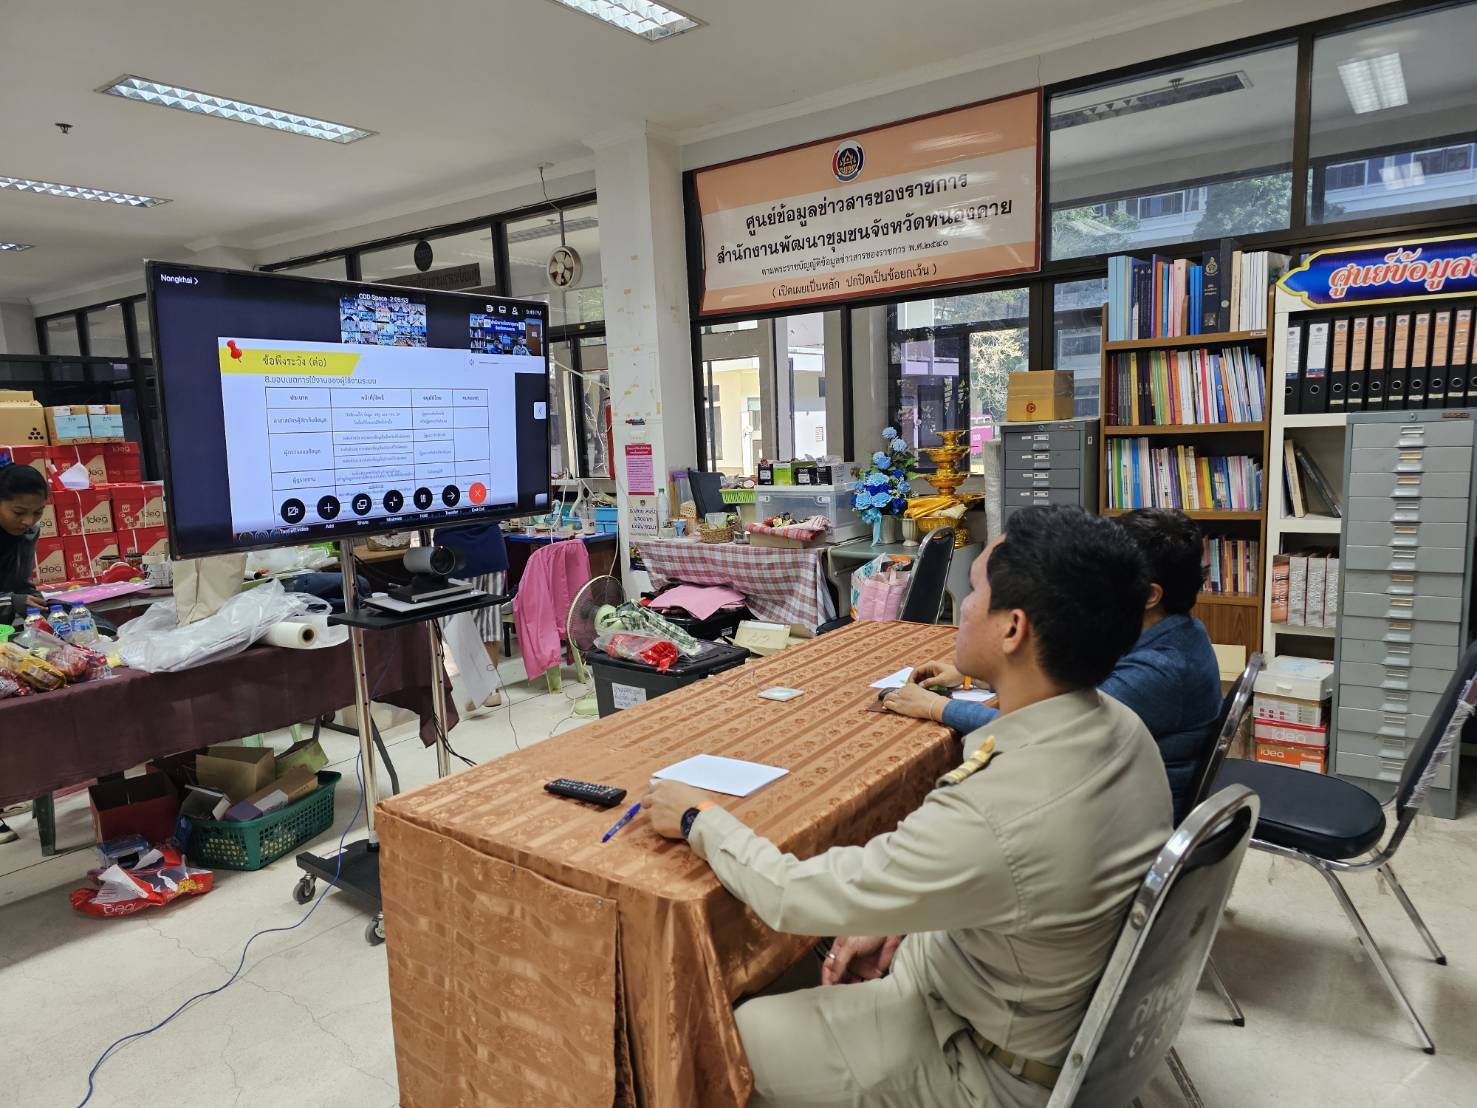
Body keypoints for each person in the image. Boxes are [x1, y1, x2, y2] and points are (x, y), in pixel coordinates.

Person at [643, 506, 1173, 1108]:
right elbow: (1005, 877)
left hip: (987, 1064)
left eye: (975, 591)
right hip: (1022, 994)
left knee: (726, 1039)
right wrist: (906, 912)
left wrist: (698, 818)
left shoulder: (999, 809)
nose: (962, 607)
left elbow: (794, 896)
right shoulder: (1122, 727)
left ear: (1013, 629)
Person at [883, 506, 1222, 824]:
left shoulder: (1162, 669)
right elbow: (1063, 684)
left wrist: (935, 707)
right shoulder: (1175, 630)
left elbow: (1043, 726)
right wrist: (976, 677)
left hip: (1119, 815)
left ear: (1149, 595)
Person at [0, 461, 50, 845]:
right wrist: (15, 601)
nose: (29, 521)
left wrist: (31, 596)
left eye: (37, 512)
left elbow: (18, 579)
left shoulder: (27, 531)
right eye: (19, 512)